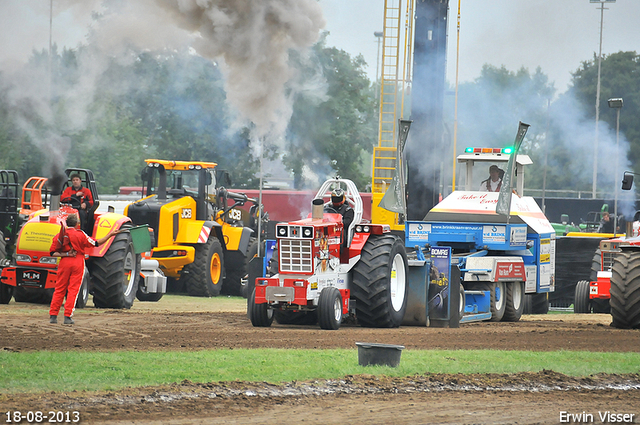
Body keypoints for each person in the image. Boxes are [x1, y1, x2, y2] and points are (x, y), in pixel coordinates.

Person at [49, 213, 119, 325]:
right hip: (78, 262)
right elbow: (96, 243)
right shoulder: (81, 234)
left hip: (64, 262)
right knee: (73, 290)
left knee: (59, 289)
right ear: (77, 224)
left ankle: (53, 316)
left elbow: (52, 253)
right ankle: (67, 316)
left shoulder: (60, 235)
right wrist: (110, 235)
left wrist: (66, 254)